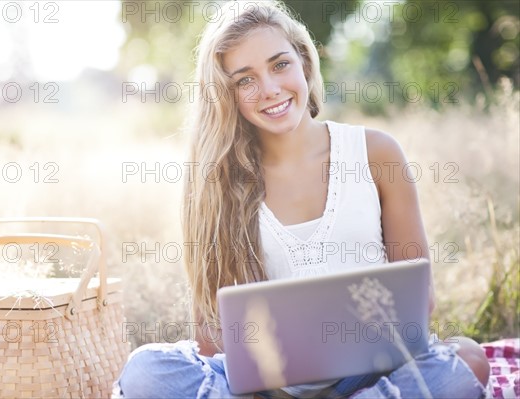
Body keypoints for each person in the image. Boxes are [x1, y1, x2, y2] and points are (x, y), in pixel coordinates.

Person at [114, 1, 490, 398]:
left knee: (466, 359)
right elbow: (210, 337)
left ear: (305, 64)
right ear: (227, 95)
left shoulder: (377, 153)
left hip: (373, 373)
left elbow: (419, 298)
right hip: (272, 388)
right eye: (245, 80)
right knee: (146, 371)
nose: (270, 89)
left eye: (279, 65)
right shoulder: (219, 182)